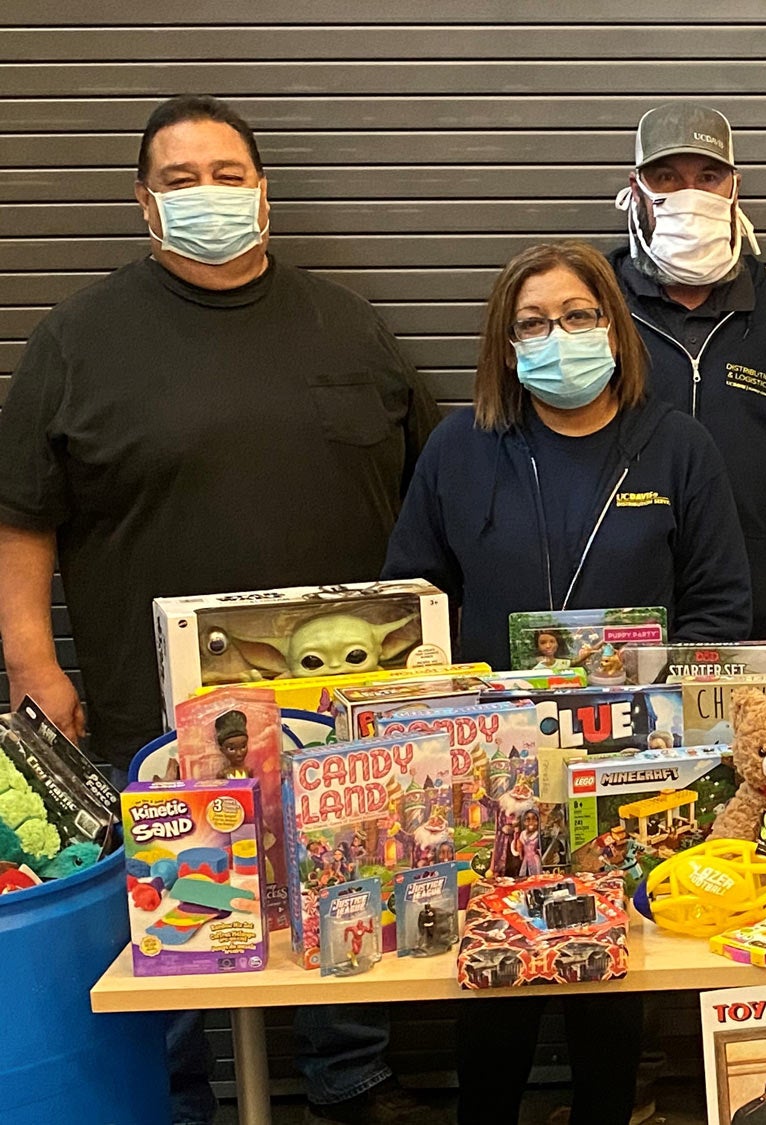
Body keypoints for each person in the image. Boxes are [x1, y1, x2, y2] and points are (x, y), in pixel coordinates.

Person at [0, 96, 439, 1125]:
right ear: (146, 205)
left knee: (351, 871)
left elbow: (432, 492)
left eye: (227, 172)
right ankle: (179, 1098)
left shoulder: (350, 325)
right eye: (180, 178)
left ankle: (351, 1077)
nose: (209, 193)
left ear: (265, 194)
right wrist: (32, 666)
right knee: (173, 908)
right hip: (152, 716)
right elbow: (22, 521)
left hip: (350, 708)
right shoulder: (77, 341)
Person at [382, 239, 752, 1125]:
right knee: (492, 975)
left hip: (631, 759)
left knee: (608, 979)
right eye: (534, 323)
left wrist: (669, 716)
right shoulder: (458, 447)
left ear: (616, 330)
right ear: (506, 348)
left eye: (579, 316)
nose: (560, 337)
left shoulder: (678, 446)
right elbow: (415, 602)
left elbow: (719, 604)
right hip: (488, 765)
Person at [613, 102, 766, 637]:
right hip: (620, 623)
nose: (690, 195)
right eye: (666, 176)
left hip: (758, 619)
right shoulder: (594, 311)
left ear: (734, 189)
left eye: (708, 177)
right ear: (634, 190)